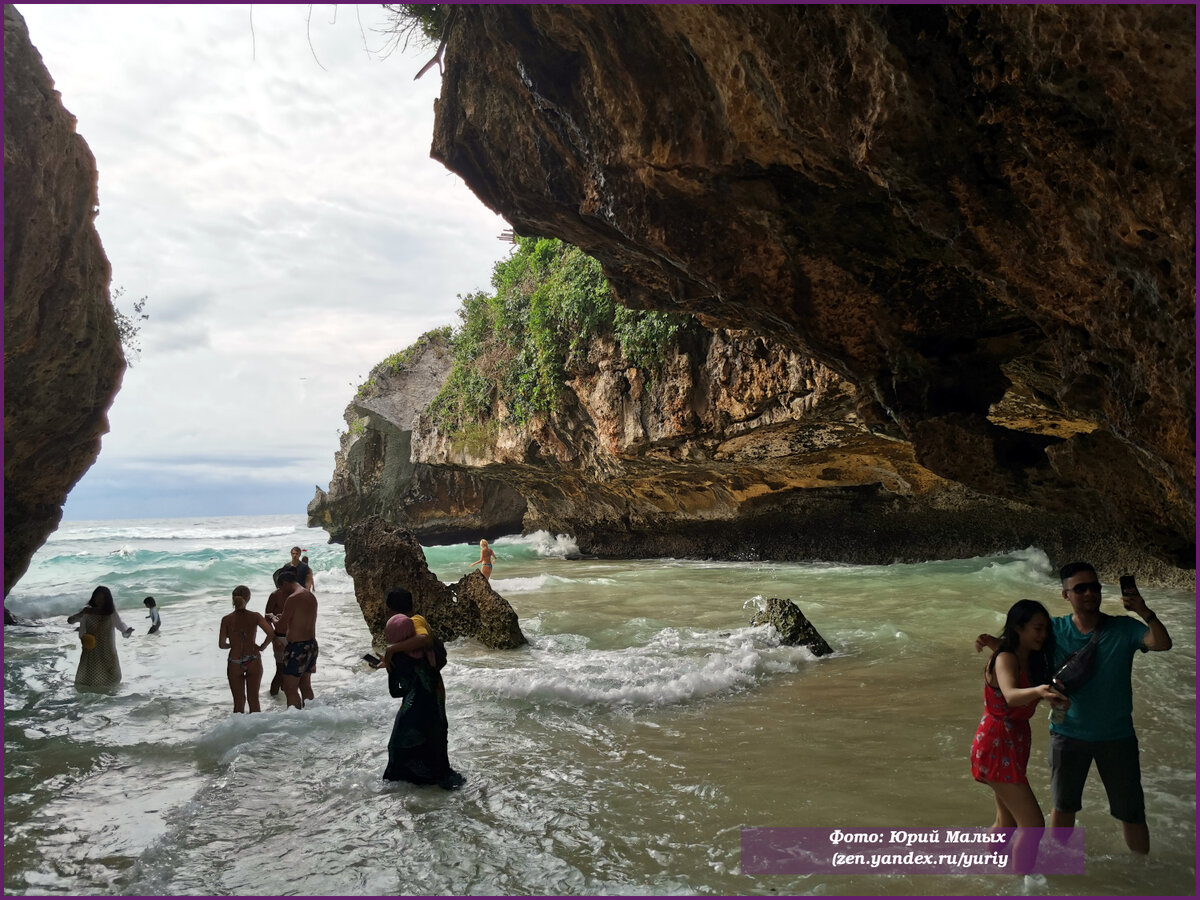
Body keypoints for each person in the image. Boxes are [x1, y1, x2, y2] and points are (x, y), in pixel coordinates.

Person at [976, 562, 1172, 854]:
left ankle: (1141, 877)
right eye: (1080, 588)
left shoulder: (1124, 628)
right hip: (1067, 734)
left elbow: (1161, 643)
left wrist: (1144, 612)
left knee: (1131, 812)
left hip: (1117, 735)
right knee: (1063, 809)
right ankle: (1058, 872)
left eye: (1094, 586)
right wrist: (998, 645)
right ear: (1066, 594)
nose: (1090, 592)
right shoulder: (1053, 630)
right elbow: (1023, 648)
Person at [971, 599, 1066, 861]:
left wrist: (991, 640)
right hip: (997, 744)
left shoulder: (1023, 655)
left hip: (1012, 745)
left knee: (1007, 823)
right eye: (1037, 628)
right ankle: (1024, 885)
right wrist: (1040, 692)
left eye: (1046, 629)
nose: (1043, 635)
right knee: (1033, 826)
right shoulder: (1005, 659)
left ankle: (985, 872)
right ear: (1018, 627)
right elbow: (1011, 694)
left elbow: (1007, 650)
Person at [375, 587, 463, 789]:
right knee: (433, 732)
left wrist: (392, 650)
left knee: (405, 739)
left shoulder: (415, 621)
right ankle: (432, 781)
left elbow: (425, 639)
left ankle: (416, 782)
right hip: (433, 689)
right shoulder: (410, 632)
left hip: (422, 694)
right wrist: (389, 661)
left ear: (391, 611)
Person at [218, 585, 275, 713]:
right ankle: (256, 732)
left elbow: (221, 644)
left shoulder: (227, 619)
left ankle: (238, 732)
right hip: (253, 659)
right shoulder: (255, 616)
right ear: (248, 598)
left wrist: (233, 644)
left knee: (238, 703)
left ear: (233, 599)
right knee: (254, 700)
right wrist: (261, 647)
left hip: (235, 661)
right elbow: (271, 633)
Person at [67, 586, 134, 687]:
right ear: (93, 598)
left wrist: (127, 631)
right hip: (91, 650)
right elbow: (70, 621)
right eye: (98, 597)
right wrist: (81, 613)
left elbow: (120, 625)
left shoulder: (110, 613)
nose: (100, 601)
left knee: (111, 679)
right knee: (89, 679)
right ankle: (92, 700)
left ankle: (108, 700)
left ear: (108, 600)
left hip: (107, 649)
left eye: (103, 598)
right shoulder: (87, 612)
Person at [273, 571, 319, 709]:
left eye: (281, 588)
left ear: (286, 583)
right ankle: (311, 715)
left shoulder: (292, 598)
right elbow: (300, 619)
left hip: (297, 648)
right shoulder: (310, 596)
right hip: (311, 645)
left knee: (290, 688)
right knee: (305, 686)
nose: (281, 592)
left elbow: (280, 626)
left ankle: (296, 722)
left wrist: (273, 618)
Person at [263, 576, 292, 697]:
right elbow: (266, 618)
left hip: (294, 638)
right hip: (280, 637)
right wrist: (274, 639)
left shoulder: (294, 595)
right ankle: (273, 700)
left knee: (290, 673)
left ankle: (284, 704)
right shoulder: (275, 595)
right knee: (280, 671)